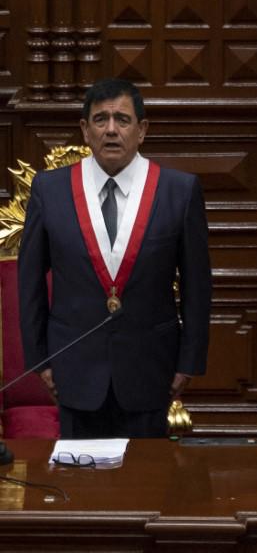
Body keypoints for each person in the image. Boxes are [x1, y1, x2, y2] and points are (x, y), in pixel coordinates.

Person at [18, 78, 212, 439]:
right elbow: (29, 282)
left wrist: (189, 363)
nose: (111, 130)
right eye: (100, 119)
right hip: (73, 372)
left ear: (142, 130)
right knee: (81, 490)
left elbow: (197, 286)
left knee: (145, 489)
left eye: (122, 120)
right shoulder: (50, 190)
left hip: (151, 370)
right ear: (85, 130)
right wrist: (39, 360)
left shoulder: (178, 191)